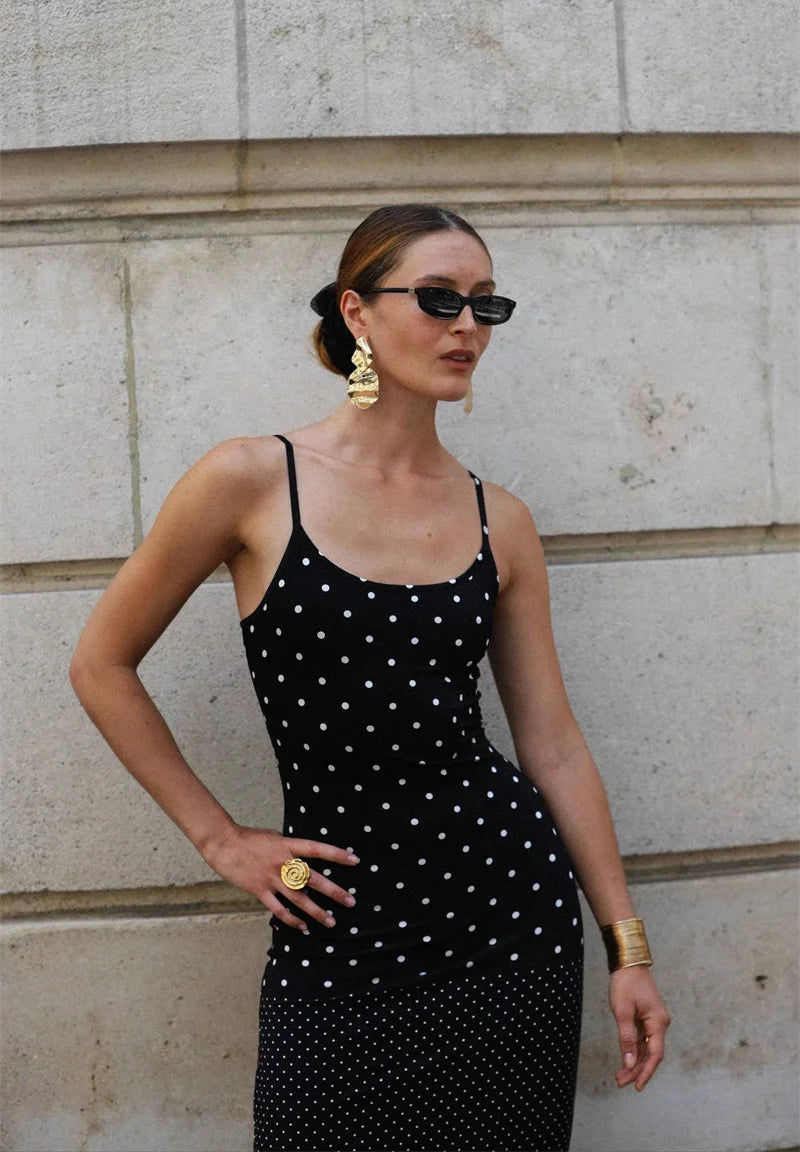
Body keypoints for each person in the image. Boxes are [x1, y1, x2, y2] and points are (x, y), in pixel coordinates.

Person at [70, 203, 670, 1152]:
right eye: (438, 299)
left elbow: (551, 744)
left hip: (508, 915)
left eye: (486, 305)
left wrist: (626, 945)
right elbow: (101, 664)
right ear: (357, 311)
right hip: (341, 922)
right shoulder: (250, 480)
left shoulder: (496, 520)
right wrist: (219, 838)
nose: (466, 326)